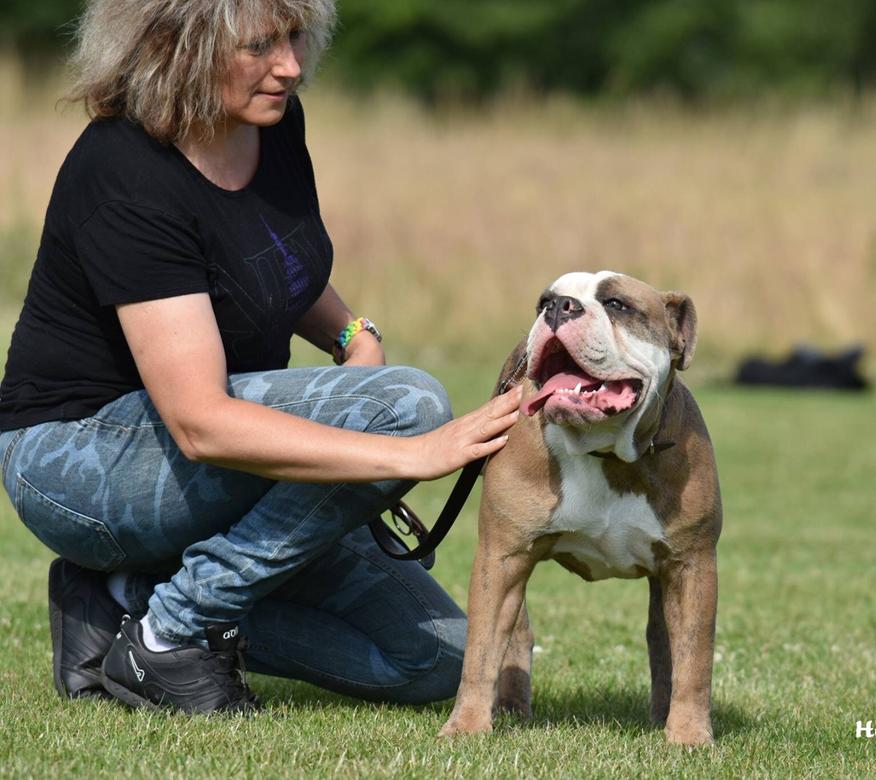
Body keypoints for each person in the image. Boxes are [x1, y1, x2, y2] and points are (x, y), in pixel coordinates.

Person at [0, 0, 521, 714]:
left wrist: (353, 336)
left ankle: (123, 601)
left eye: (296, 37)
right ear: (174, 44)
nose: (291, 66)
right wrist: (408, 452)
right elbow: (201, 425)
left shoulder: (271, 124)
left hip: (200, 464)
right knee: (409, 407)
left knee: (440, 659)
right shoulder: (122, 170)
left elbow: (269, 266)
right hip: (76, 460)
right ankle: (168, 634)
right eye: (260, 45)